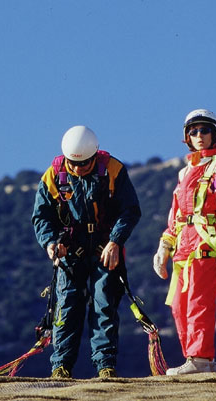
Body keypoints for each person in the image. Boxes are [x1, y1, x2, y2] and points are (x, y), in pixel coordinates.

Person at [153, 109, 216, 375]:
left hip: (206, 246)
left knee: (199, 303)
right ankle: (197, 360)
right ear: (187, 137)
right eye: (193, 131)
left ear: (215, 134)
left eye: (204, 130)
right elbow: (176, 214)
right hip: (183, 250)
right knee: (179, 306)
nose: (199, 136)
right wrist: (164, 246)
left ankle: (200, 358)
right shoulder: (184, 172)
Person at [32, 125, 141, 378]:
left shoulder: (113, 170)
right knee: (67, 306)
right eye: (74, 165)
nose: (79, 170)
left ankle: (105, 366)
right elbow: (42, 217)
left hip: (105, 248)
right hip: (70, 251)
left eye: (85, 164)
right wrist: (50, 243)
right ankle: (60, 367)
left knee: (104, 304)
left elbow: (130, 210)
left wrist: (116, 241)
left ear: (95, 156)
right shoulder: (53, 176)